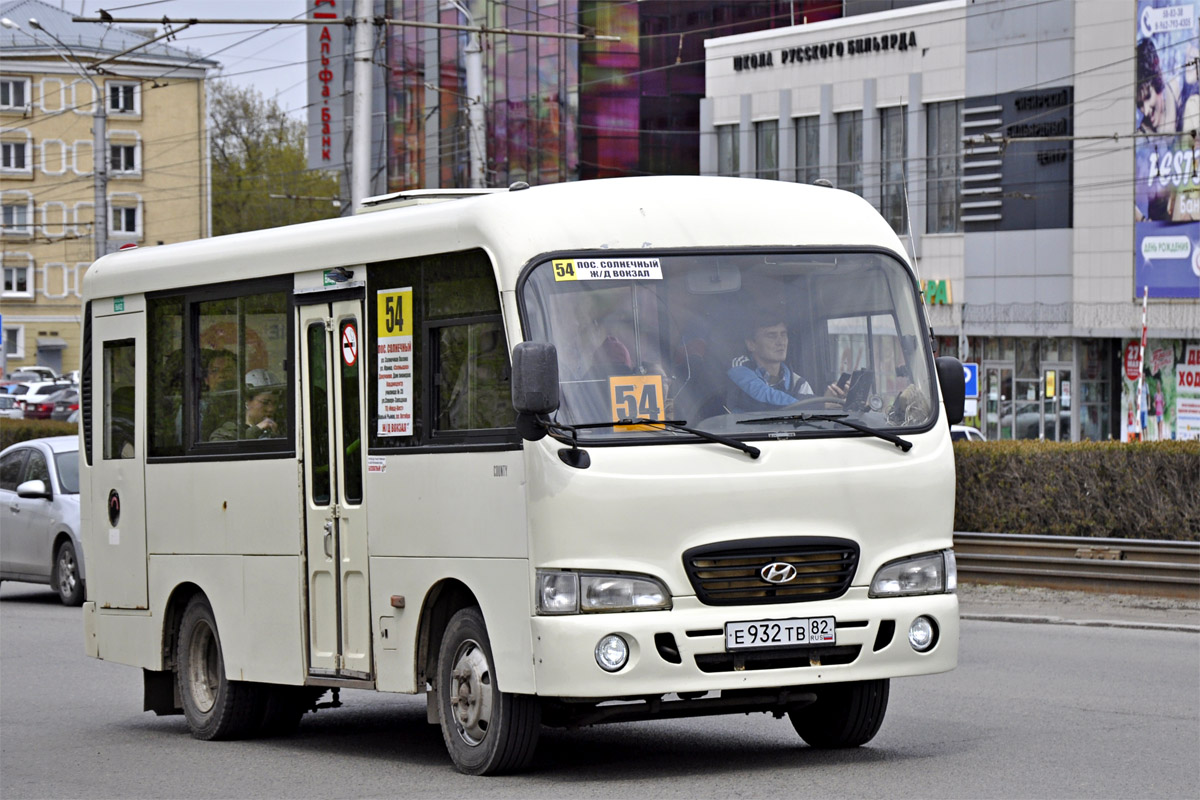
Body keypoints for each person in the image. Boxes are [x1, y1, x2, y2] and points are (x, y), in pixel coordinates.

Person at [724, 314, 844, 413]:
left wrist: (830, 401)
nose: (781, 342)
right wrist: (819, 403)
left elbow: (810, 420)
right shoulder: (739, 368)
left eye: (783, 334)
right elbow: (764, 397)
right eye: (771, 335)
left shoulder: (799, 383)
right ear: (751, 344)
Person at [210, 369, 283, 441]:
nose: (271, 409)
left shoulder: (281, 429)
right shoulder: (228, 432)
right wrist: (256, 430)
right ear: (247, 401)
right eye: (265, 402)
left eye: (275, 403)